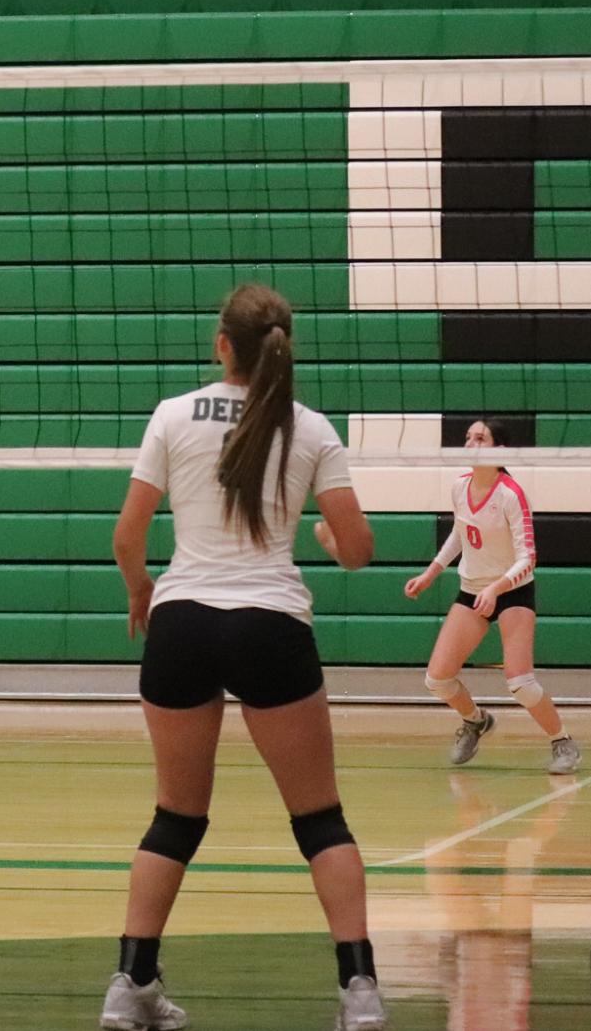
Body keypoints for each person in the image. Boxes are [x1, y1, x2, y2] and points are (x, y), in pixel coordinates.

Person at [100, 284, 384, 1031]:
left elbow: (127, 536)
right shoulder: (312, 428)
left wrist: (141, 591)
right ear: (280, 348)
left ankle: (130, 984)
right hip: (268, 624)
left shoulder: (171, 414)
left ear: (222, 344)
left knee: (174, 817)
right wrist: (324, 540)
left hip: (182, 622)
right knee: (319, 819)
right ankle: (358, 993)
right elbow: (358, 549)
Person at [404, 418, 579, 775]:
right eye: (467, 437)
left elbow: (528, 558)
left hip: (512, 591)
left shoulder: (510, 494)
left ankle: (563, 742)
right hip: (472, 590)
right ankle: (476, 721)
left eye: (479, 438)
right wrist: (430, 573)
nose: (469, 443)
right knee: (437, 679)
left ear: (500, 451)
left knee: (520, 683)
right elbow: (459, 532)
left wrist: (495, 587)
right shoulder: (460, 487)